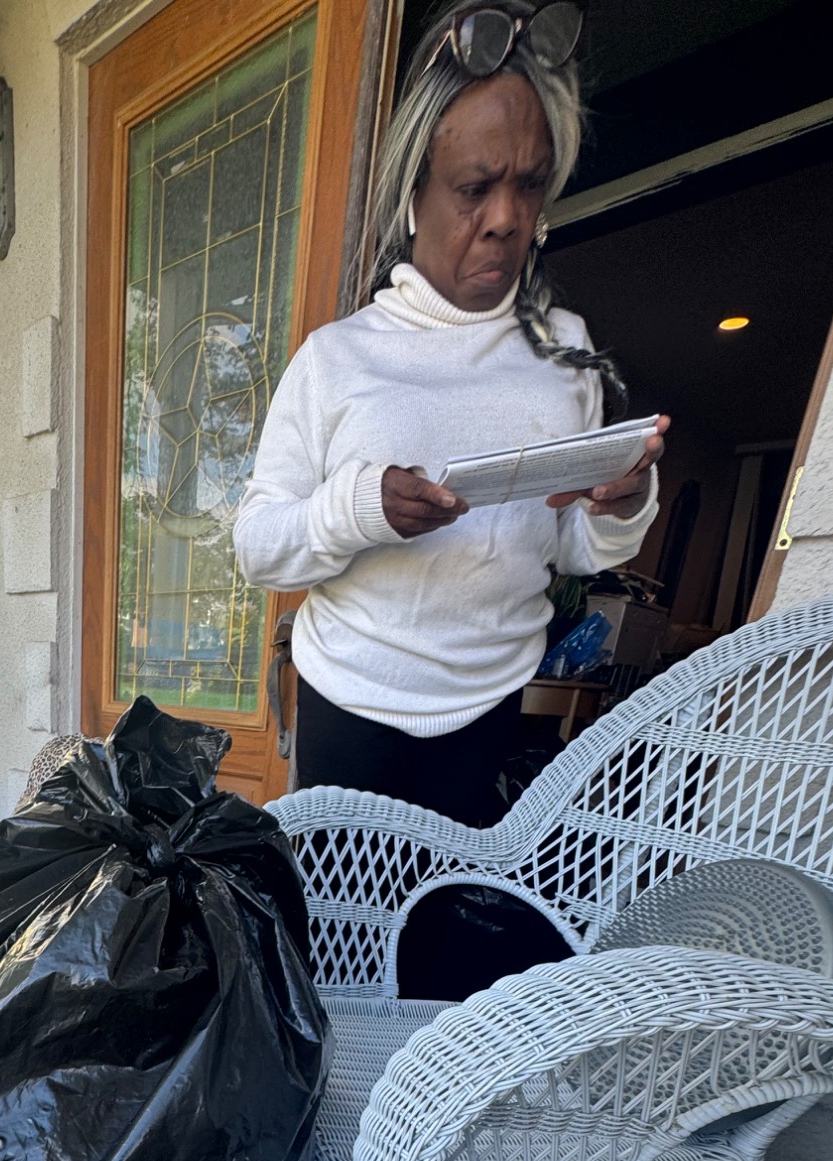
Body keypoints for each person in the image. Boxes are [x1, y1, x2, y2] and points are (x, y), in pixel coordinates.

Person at [233, 0, 666, 826]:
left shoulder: (564, 351)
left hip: (488, 710)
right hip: (347, 706)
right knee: (332, 905)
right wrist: (359, 508)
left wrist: (621, 506)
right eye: (474, 188)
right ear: (414, 194)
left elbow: (569, 548)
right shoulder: (336, 358)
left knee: (447, 907)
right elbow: (257, 547)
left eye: (529, 184)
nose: (505, 218)